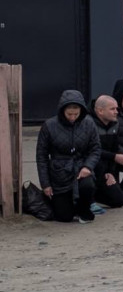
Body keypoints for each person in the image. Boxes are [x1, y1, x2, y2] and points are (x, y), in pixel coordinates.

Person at [35, 90, 100, 223]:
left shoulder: (89, 123)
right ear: (62, 110)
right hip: (59, 173)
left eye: (76, 114)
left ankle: (84, 209)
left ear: (81, 111)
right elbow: (41, 156)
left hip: (81, 167)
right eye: (69, 114)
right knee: (64, 217)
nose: (72, 117)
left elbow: (95, 148)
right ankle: (62, 202)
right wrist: (45, 184)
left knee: (87, 185)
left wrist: (88, 166)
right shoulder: (49, 125)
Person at [89, 94, 123, 209]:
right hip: (92, 167)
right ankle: (90, 195)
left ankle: (115, 189)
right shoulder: (88, 124)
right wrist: (114, 157)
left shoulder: (115, 123)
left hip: (107, 166)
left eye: (117, 108)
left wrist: (111, 172)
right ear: (100, 111)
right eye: (112, 109)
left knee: (119, 201)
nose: (116, 112)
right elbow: (91, 150)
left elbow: (114, 148)